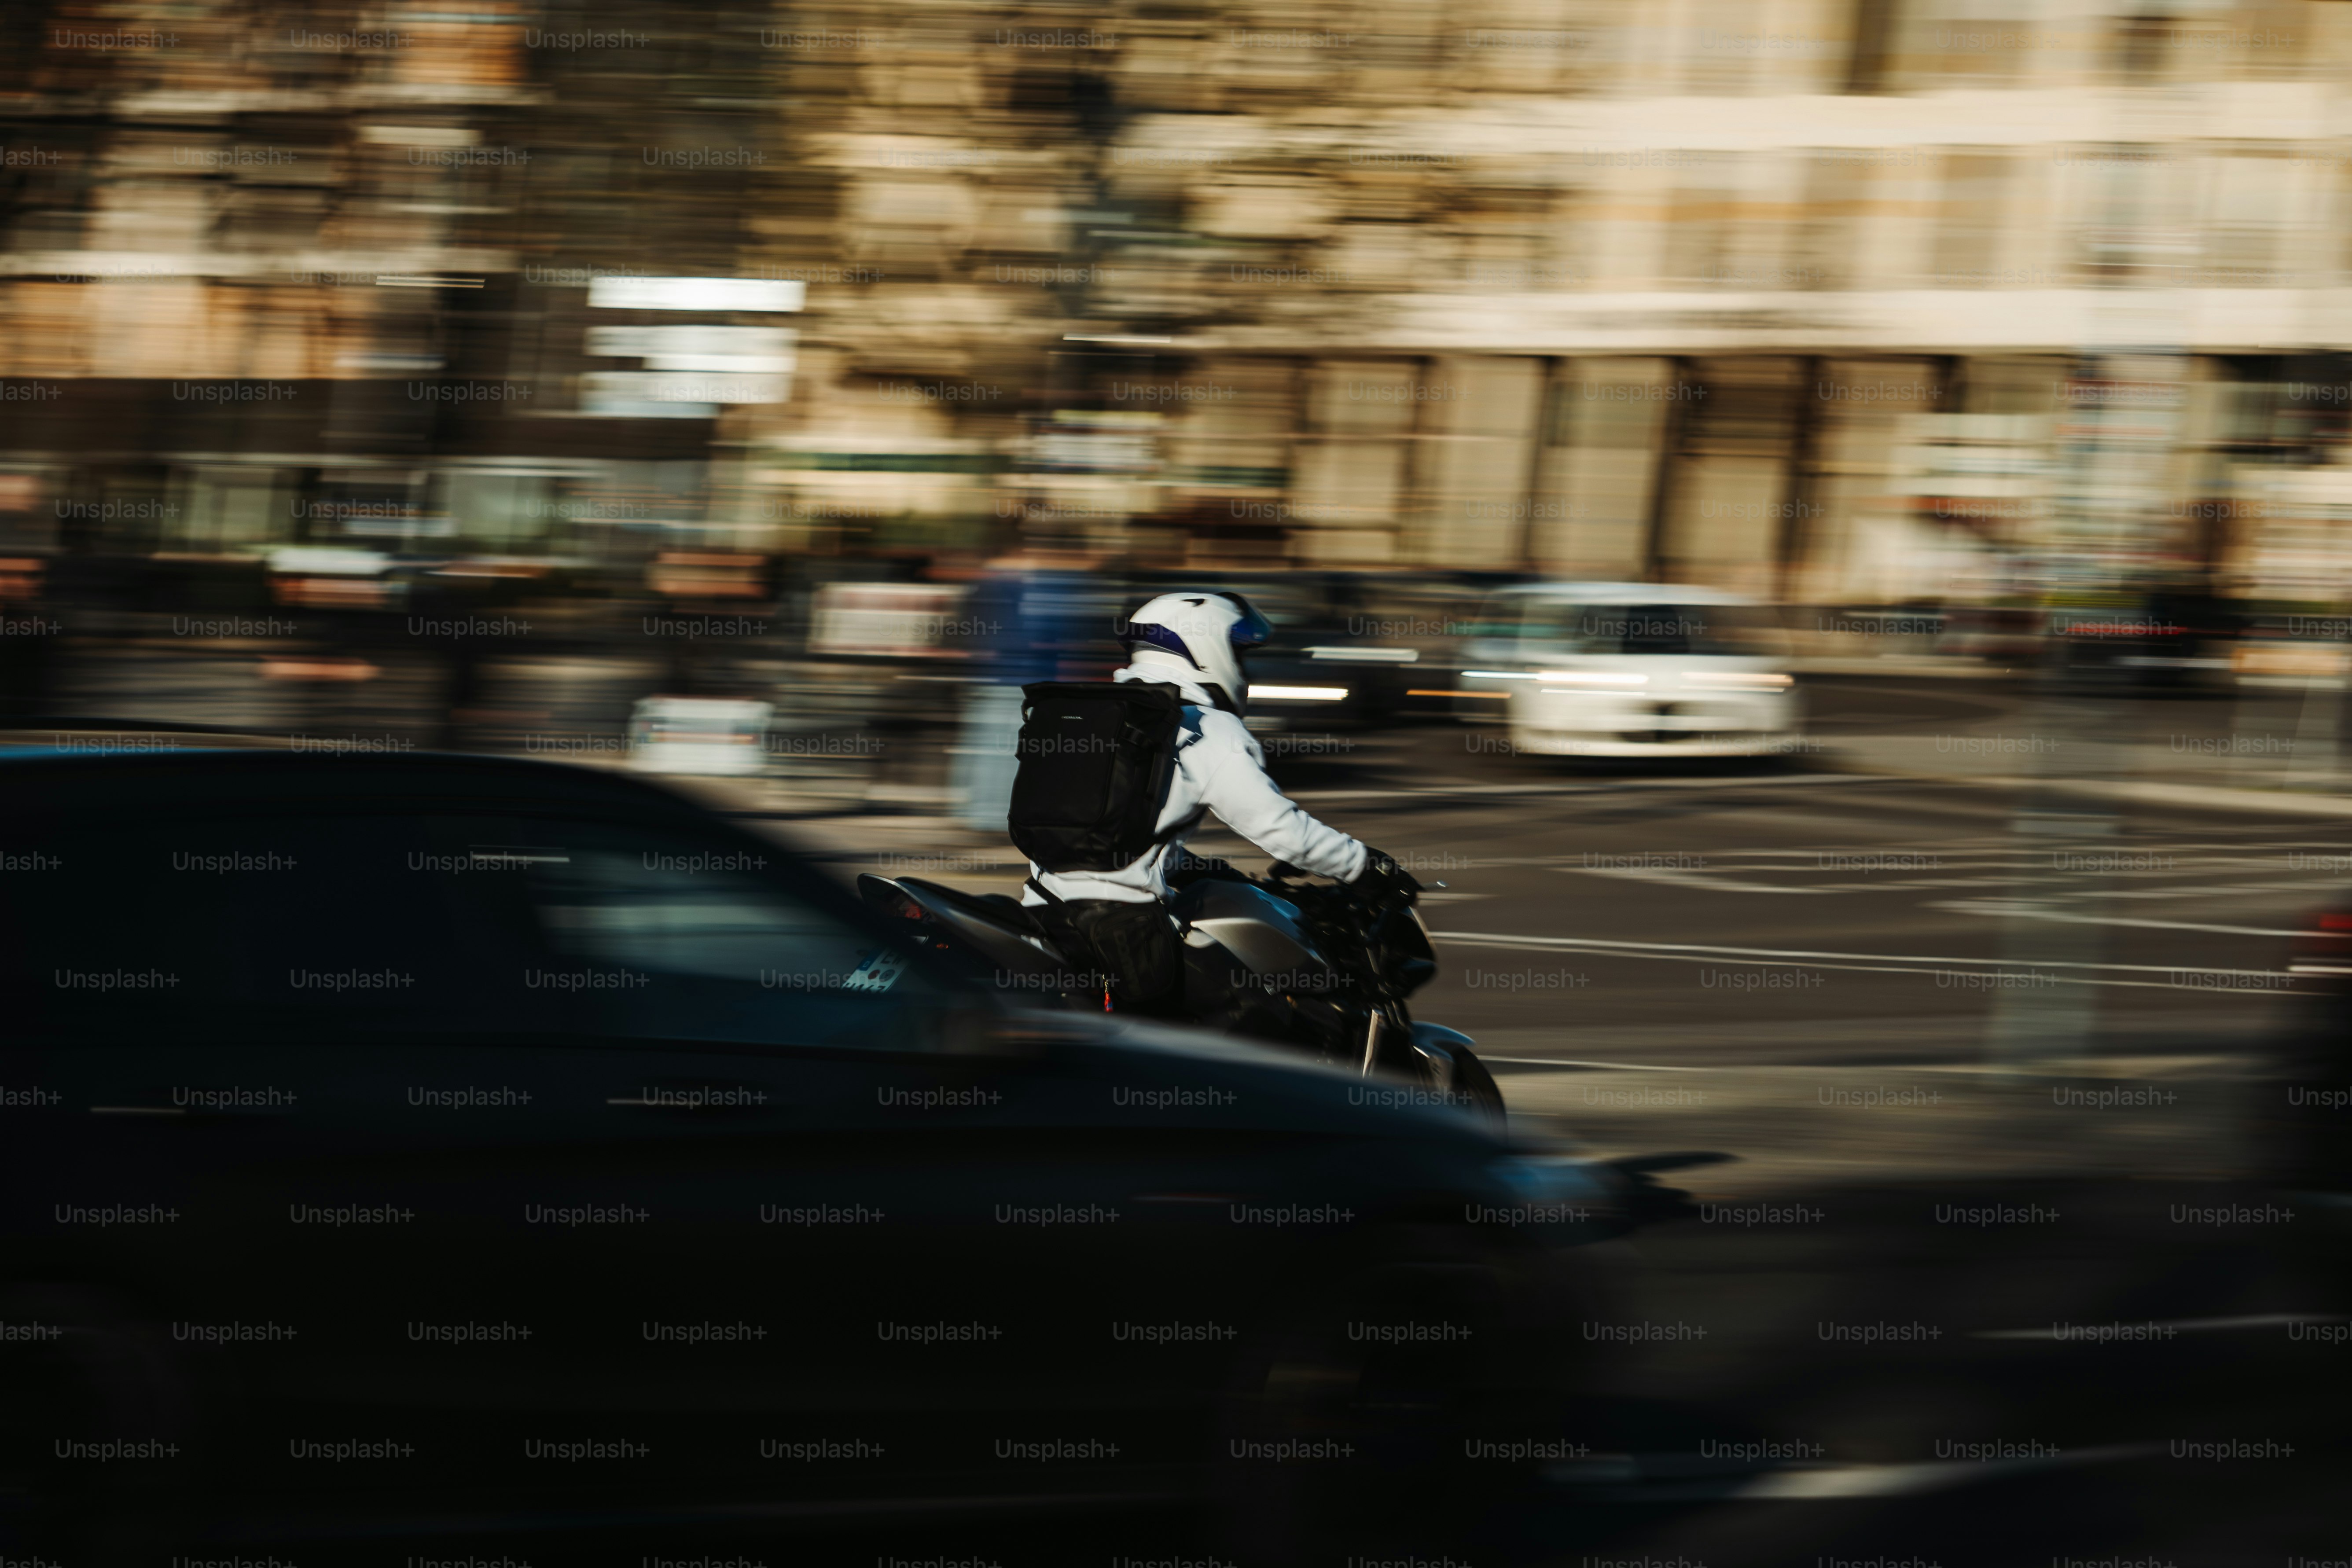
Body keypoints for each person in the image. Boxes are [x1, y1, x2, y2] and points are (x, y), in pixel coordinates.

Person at [1018, 589, 1419, 1032]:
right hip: (1129, 932)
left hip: (1043, 913)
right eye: (1239, 654)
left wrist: (1200, 867)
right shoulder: (1202, 726)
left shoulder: (1091, 714)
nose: (1243, 668)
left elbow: (1113, 828)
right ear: (1206, 646)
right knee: (1275, 1017)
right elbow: (1283, 831)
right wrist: (1367, 866)